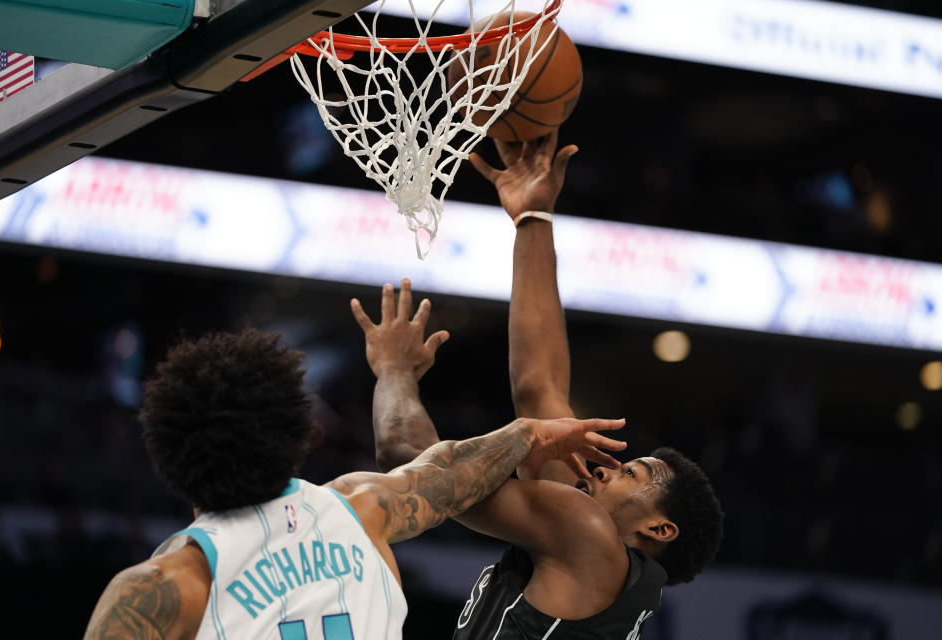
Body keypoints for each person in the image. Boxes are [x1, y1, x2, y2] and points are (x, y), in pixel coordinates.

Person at [351, 133, 724, 639]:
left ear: (657, 529)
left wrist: (394, 369)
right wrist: (534, 217)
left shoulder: (586, 532)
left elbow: (407, 455)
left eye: (630, 472)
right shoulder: (591, 550)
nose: (606, 466)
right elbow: (539, 386)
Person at [82, 327, 627, 640]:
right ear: (298, 430)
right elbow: (452, 471)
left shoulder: (162, 588)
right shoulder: (361, 511)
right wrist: (529, 432)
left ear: (167, 453)